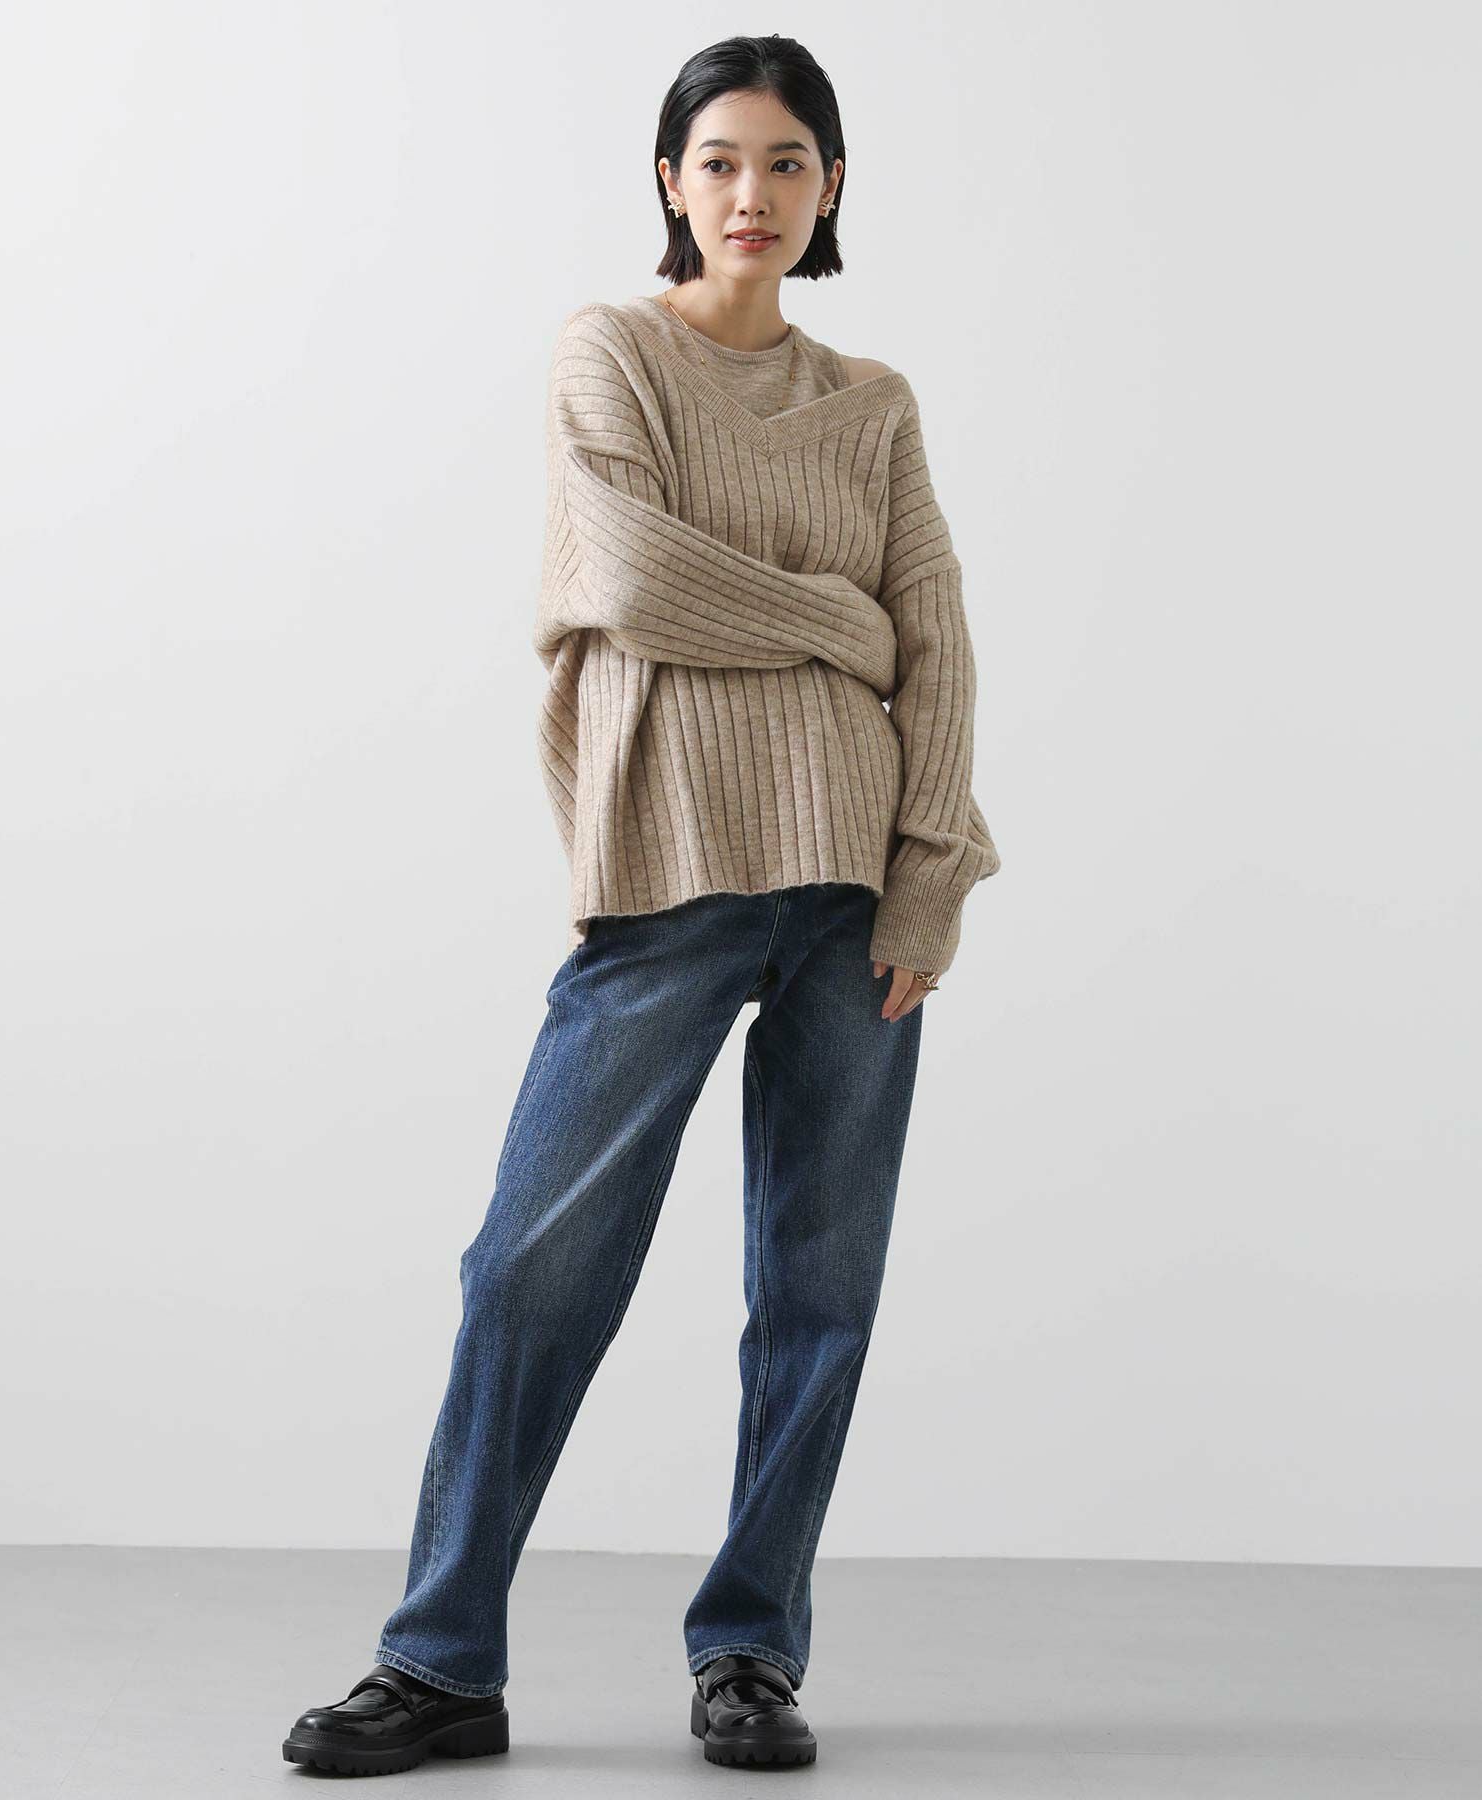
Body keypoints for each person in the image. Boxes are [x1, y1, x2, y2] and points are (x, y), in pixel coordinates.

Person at [282, 31, 999, 1777]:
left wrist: (930, 884)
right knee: (531, 1268)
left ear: (831, 188)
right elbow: (629, 573)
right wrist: (837, 622)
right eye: (722, 160)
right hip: (667, 884)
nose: (754, 193)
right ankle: (443, 1662)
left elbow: (941, 648)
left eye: (789, 162)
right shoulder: (609, 351)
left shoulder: (874, 403)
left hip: (856, 901)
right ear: (671, 181)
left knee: (816, 1294)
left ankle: (751, 1651)